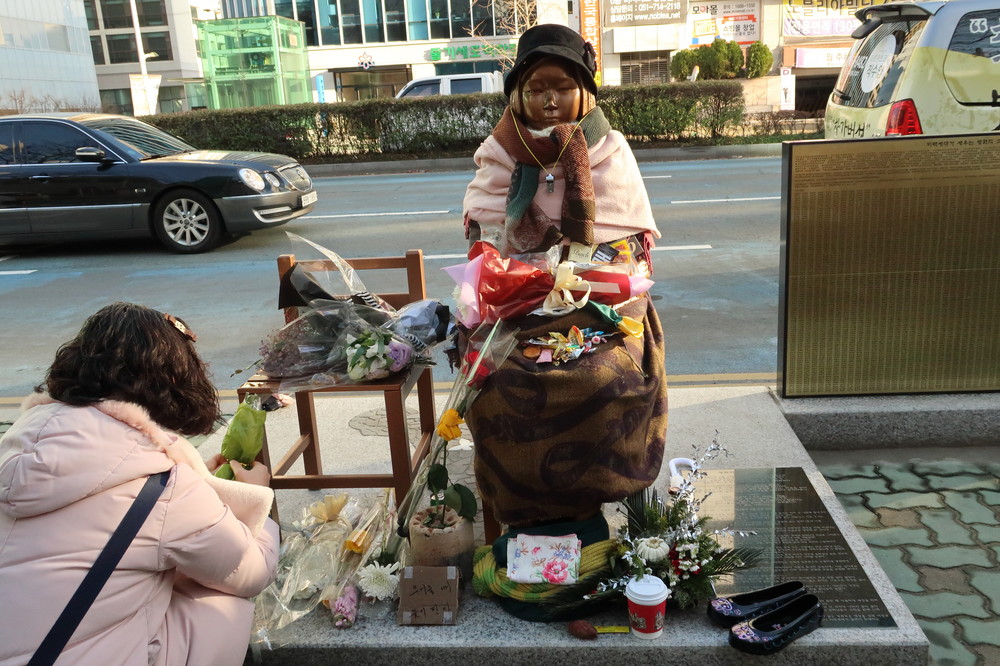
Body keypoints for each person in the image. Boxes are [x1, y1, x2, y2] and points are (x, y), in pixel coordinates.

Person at [461, 24, 668, 535]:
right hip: (521, 298)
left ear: (584, 93)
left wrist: (580, 273)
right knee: (500, 378)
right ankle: (524, 508)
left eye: (562, 87)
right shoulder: (500, 151)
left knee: (607, 374)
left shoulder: (610, 150)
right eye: (536, 89)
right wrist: (509, 272)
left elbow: (630, 246)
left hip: (600, 296)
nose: (549, 99)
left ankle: (608, 488)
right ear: (518, 94)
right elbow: (486, 237)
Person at [0, 302, 278, 666]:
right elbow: (249, 571)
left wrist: (196, 483)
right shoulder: (161, 489)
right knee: (222, 602)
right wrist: (258, 501)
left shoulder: (17, 452)